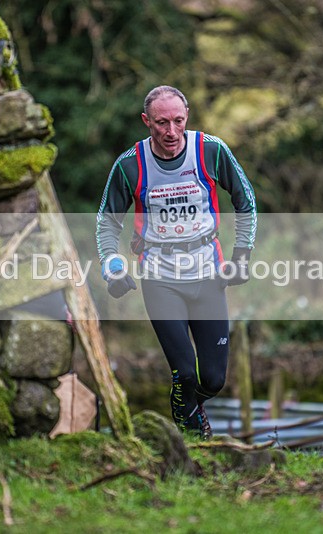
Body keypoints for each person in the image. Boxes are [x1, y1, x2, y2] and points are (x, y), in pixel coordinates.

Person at [95, 85, 257, 439]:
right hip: (159, 277)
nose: (171, 132)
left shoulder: (210, 151)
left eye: (178, 121)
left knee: (213, 380)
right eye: (161, 123)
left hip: (208, 274)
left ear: (187, 118)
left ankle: (188, 417)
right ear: (146, 121)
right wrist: (113, 265)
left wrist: (241, 256)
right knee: (184, 372)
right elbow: (107, 222)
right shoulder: (129, 165)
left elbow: (246, 201)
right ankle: (190, 439)